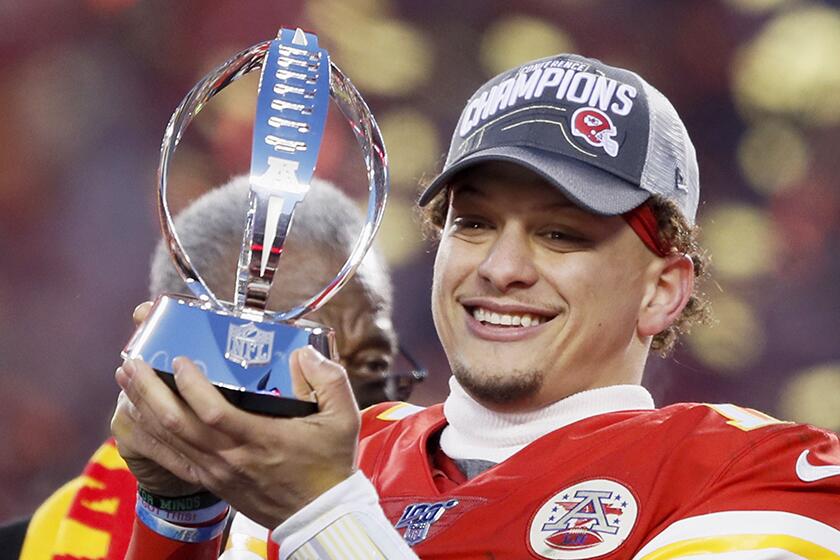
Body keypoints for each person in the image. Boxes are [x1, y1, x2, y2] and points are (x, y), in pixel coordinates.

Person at [108, 53, 840, 559]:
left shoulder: (758, 474)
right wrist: (181, 510)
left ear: (661, 290)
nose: (502, 268)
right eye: (474, 223)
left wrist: (321, 512)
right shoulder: (333, 451)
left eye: (560, 234)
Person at [16, 175, 418, 559]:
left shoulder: (448, 521)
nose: (340, 413)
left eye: (372, 366)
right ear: (166, 368)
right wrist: (176, 516)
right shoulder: (35, 545)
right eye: (278, 368)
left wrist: (325, 514)